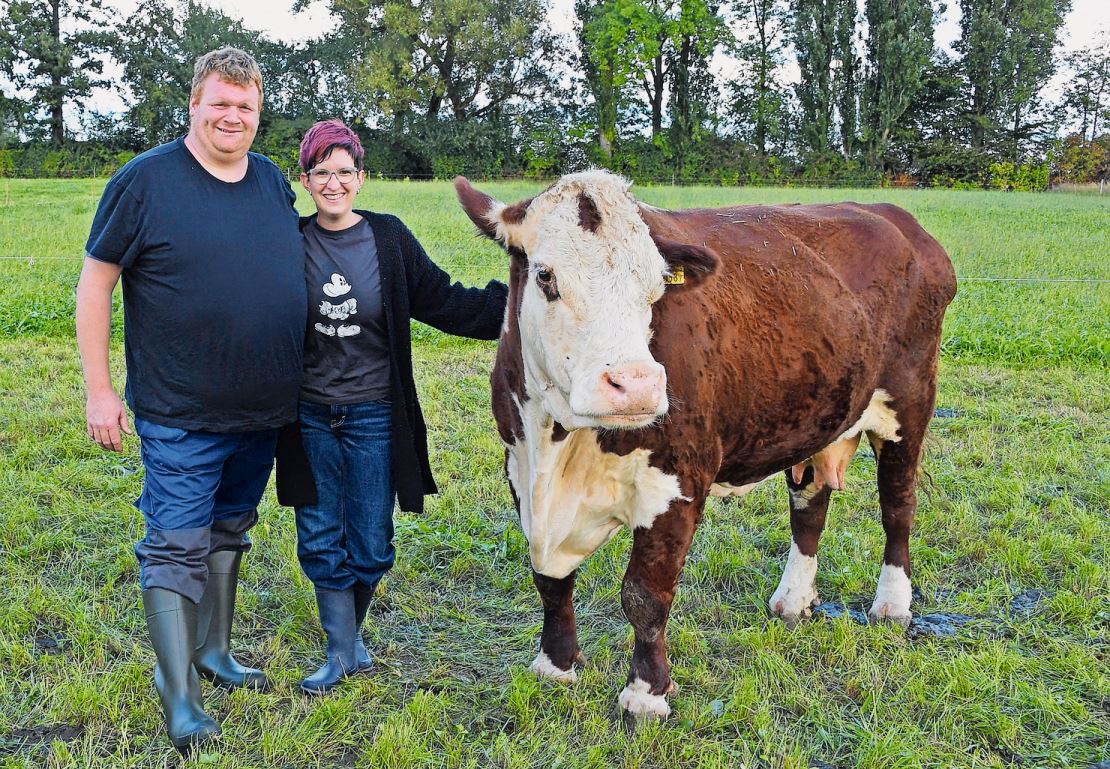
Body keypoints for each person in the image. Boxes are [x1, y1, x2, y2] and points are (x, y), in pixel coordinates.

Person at [75, 48, 305, 751]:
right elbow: (95, 284)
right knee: (175, 543)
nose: (233, 116)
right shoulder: (143, 182)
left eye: (246, 105)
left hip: (263, 409)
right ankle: (179, 695)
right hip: (179, 411)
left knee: (230, 528)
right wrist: (100, 389)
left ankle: (214, 651)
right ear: (195, 105)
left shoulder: (269, 181)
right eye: (220, 103)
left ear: (257, 111)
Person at [283, 120, 507, 695]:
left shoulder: (388, 238)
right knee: (318, 531)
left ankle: (349, 636)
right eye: (320, 173)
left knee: (372, 541)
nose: (333, 183)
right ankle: (340, 651)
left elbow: (444, 300)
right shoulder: (289, 240)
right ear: (304, 179)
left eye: (343, 172)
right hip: (308, 415)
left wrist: (522, 303)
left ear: (361, 177)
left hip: (375, 415)